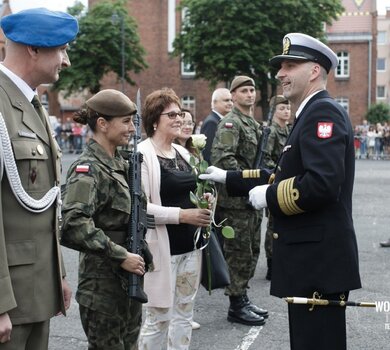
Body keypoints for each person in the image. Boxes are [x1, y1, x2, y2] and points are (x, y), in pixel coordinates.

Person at [202, 33, 362, 350]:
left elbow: (322, 184)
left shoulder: (322, 113)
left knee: (316, 343)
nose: (280, 74)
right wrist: (230, 177)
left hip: (317, 263)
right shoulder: (308, 114)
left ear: (314, 70)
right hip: (312, 262)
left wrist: (270, 196)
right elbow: (279, 174)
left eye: (290, 65)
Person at [0, 8, 78, 349]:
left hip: (36, 289)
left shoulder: (30, 103)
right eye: (61, 49)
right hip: (10, 300)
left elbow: (46, 205)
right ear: (33, 49)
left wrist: (57, 274)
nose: (66, 61)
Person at [60, 89, 147, 349]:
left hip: (128, 280)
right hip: (102, 287)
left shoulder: (122, 164)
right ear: (102, 124)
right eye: (126, 121)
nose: (132, 128)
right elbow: (74, 223)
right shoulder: (88, 168)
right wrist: (121, 255)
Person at [138, 88, 211, 349]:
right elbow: (140, 208)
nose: (180, 118)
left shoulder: (184, 154)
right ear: (155, 120)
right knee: (159, 317)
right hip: (161, 251)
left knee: (184, 314)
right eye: (172, 114)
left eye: (181, 113)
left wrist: (207, 202)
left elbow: (196, 190)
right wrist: (183, 215)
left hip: (191, 248)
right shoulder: (142, 154)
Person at [211, 76, 268, 326]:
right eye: (244, 91)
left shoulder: (253, 124)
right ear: (233, 96)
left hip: (251, 201)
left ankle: (242, 296)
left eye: (252, 90)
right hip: (235, 202)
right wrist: (250, 185)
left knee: (252, 251)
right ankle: (235, 304)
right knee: (238, 253)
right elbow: (223, 160)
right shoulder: (231, 124)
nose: (250, 94)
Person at [262, 95, 291, 280]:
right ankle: (271, 264)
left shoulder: (289, 129)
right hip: (275, 182)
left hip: (288, 183)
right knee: (273, 226)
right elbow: (266, 159)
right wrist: (280, 171)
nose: (286, 111)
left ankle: (282, 260)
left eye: (288, 108)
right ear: (274, 111)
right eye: (282, 108)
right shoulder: (271, 132)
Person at [200, 88, 233, 164]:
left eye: (231, 100)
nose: (230, 103)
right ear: (215, 103)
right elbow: (208, 153)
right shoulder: (211, 123)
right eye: (226, 100)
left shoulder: (220, 120)